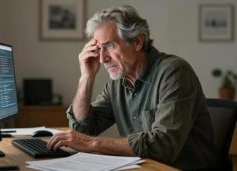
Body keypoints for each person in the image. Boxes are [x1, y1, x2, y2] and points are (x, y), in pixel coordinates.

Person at [47, 5, 216, 170]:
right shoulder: (118, 83)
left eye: (110, 46)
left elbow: (163, 146)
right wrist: (86, 77)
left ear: (137, 42)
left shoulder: (174, 72)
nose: (102, 58)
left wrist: (92, 143)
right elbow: (82, 129)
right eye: (99, 49)